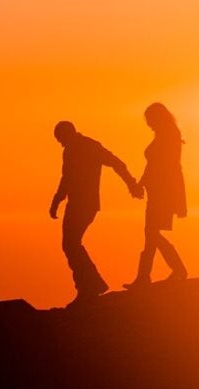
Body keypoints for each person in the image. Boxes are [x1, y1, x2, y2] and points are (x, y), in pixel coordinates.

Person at [49, 120, 140, 302]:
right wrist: (57, 200)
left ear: (68, 134)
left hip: (85, 204)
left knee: (71, 243)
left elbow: (116, 163)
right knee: (70, 244)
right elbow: (66, 178)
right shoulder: (70, 150)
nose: (60, 143)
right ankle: (90, 284)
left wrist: (131, 183)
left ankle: (90, 285)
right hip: (77, 203)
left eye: (61, 138)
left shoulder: (89, 147)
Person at [128, 102, 188, 289]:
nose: (148, 123)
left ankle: (154, 274)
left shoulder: (169, 135)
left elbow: (166, 166)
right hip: (156, 192)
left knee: (151, 233)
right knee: (151, 233)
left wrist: (144, 184)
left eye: (150, 119)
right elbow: (152, 166)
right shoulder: (163, 135)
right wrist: (141, 184)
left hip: (164, 191)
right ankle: (152, 275)